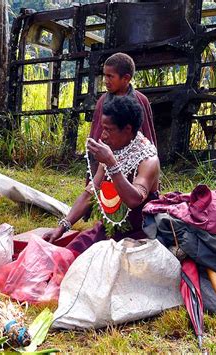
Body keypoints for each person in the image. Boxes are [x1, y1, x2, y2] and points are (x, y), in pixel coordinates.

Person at [44, 95, 160, 256]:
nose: (103, 136)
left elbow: (135, 199)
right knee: (69, 256)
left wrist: (112, 164)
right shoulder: (112, 149)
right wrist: (62, 227)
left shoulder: (148, 159)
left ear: (127, 129)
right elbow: (91, 192)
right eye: (102, 128)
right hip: (108, 230)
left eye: (108, 130)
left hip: (139, 237)